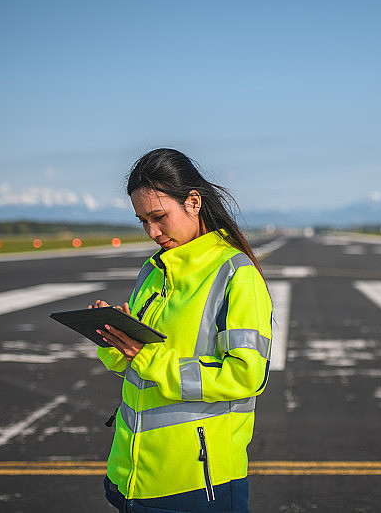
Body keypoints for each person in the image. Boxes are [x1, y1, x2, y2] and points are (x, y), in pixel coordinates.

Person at [88, 148, 272, 513]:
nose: (152, 232)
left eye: (159, 217)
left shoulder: (236, 275)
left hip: (198, 483)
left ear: (193, 202)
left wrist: (149, 357)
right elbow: (135, 367)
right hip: (133, 475)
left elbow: (247, 376)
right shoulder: (153, 271)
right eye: (143, 221)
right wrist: (113, 337)